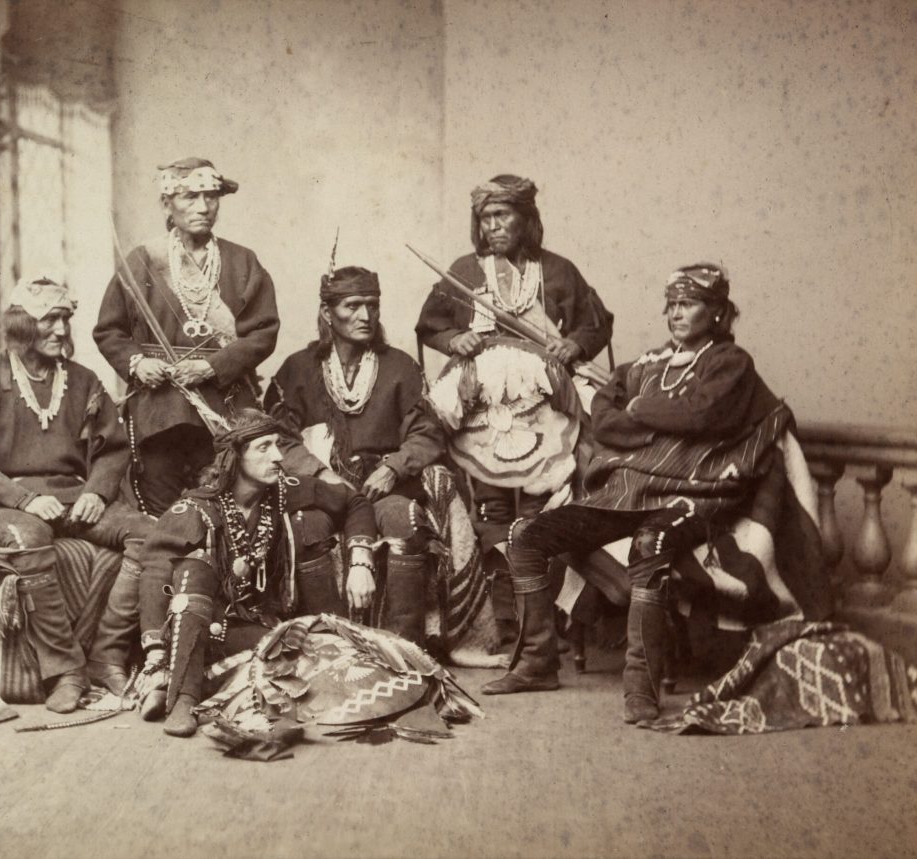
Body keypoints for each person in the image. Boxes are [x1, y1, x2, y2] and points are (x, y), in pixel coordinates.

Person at [483, 263, 795, 724]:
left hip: (692, 496)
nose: (674, 314)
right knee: (528, 534)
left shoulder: (730, 364)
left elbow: (701, 416)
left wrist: (639, 412)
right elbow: (604, 419)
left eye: (686, 305)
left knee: (652, 544)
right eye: (670, 305)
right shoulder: (647, 364)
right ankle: (536, 663)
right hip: (628, 490)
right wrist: (654, 418)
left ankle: (641, 689)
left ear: (716, 313)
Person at [415, 173, 613, 646]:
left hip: (545, 402)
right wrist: (453, 338)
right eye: (486, 218)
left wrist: (573, 343)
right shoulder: (465, 269)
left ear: (526, 219)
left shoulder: (559, 270)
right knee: (492, 507)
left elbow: (595, 324)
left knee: (546, 504)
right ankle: (505, 621)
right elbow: (430, 326)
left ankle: (551, 620)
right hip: (483, 406)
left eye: (502, 216)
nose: (493, 227)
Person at [0, 277, 154, 713]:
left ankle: (107, 656)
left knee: (152, 536)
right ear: (23, 324)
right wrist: (21, 500)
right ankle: (65, 669)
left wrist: (98, 492)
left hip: (74, 495)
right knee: (29, 540)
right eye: (49, 320)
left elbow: (113, 450)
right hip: (12, 500)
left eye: (65, 320)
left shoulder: (84, 381)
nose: (61, 330)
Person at [135, 409, 378, 738]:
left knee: (313, 660)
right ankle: (182, 699)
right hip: (201, 628)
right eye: (264, 448)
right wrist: (154, 650)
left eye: (278, 445)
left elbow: (356, 502)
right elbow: (154, 570)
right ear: (234, 457)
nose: (278, 457)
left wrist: (361, 559)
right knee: (194, 568)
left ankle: (179, 684)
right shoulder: (196, 508)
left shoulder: (286, 491)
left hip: (260, 628)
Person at [265, 264, 444, 645]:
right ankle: (333, 646)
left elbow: (426, 432)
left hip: (384, 486)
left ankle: (405, 648)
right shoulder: (297, 369)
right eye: (353, 305)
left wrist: (394, 468)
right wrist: (320, 474)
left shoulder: (400, 367)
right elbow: (278, 436)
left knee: (404, 520)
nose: (366, 315)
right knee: (307, 528)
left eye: (372, 305)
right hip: (321, 487)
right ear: (328, 313)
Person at [93, 157, 279, 516]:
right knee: (162, 512)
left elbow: (263, 331)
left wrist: (210, 367)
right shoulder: (142, 261)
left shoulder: (242, 262)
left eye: (211, 197)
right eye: (190, 197)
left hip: (223, 405)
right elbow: (109, 329)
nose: (203, 207)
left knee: (228, 505)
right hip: (158, 410)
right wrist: (137, 362)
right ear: (167, 203)